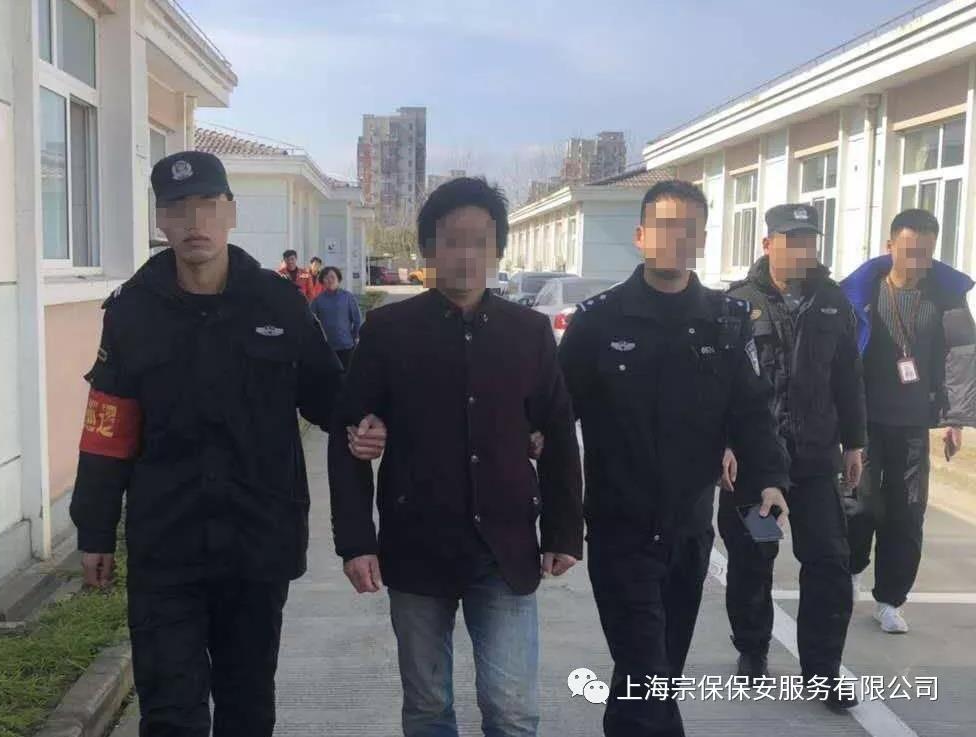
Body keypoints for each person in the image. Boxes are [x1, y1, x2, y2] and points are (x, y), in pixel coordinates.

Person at [69, 151, 384, 737]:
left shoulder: (279, 303)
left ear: (231, 213)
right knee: (170, 712)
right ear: (160, 220)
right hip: (166, 542)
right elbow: (108, 426)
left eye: (208, 206)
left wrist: (374, 420)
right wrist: (95, 530)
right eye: (178, 208)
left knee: (247, 705)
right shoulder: (132, 311)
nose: (196, 222)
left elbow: (329, 398)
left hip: (257, 539)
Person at [328, 177, 584, 737]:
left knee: (513, 710)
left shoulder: (529, 332)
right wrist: (355, 541)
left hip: (505, 548)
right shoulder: (388, 331)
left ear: (498, 250)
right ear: (428, 248)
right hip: (416, 545)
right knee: (426, 707)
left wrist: (565, 532)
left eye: (481, 241)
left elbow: (559, 433)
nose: (467, 254)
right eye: (452, 240)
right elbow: (348, 438)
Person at [558, 179, 790, 737]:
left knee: (656, 675)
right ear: (641, 236)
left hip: (688, 531)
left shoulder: (726, 321)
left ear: (702, 239)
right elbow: (554, 416)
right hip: (620, 531)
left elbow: (751, 410)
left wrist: (768, 479)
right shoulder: (597, 322)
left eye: (689, 229)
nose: (676, 238)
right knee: (646, 672)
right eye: (664, 226)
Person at [718, 204, 865, 709]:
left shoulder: (833, 303)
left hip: (815, 462)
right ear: (768, 245)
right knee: (754, 557)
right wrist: (724, 443)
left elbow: (848, 377)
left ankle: (822, 672)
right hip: (758, 465)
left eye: (810, 240)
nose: (803, 249)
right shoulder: (739, 304)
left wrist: (855, 442)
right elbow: (719, 387)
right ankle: (753, 649)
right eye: (792, 239)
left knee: (828, 562)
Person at [841, 208, 976, 634]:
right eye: (910, 251)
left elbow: (960, 356)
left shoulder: (945, 299)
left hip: (914, 423)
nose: (918, 261)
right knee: (859, 504)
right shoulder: (862, 294)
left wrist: (955, 419)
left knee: (907, 512)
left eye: (926, 253)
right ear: (890, 247)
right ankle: (851, 570)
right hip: (864, 423)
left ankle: (890, 600)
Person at [310, 266, 362, 370]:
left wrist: (354, 336)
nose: (329, 280)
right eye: (326, 278)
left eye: (332, 277)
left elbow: (357, 319)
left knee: (347, 374)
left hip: (346, 346)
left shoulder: (347, 297)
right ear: (322, 281)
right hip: (326, 347)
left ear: (338, 279)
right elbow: (311, 322)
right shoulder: (317, 300)